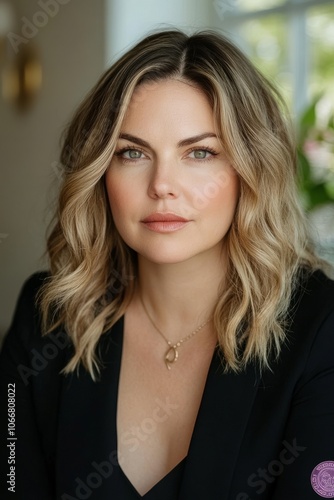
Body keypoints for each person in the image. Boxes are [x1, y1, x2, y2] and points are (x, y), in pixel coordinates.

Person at [1, 29, 334, 500]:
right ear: (100, 172)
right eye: (132, 153)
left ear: (250, 169)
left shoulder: (321, 330)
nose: (162, 185)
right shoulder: (47, 316)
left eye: (200, 152)